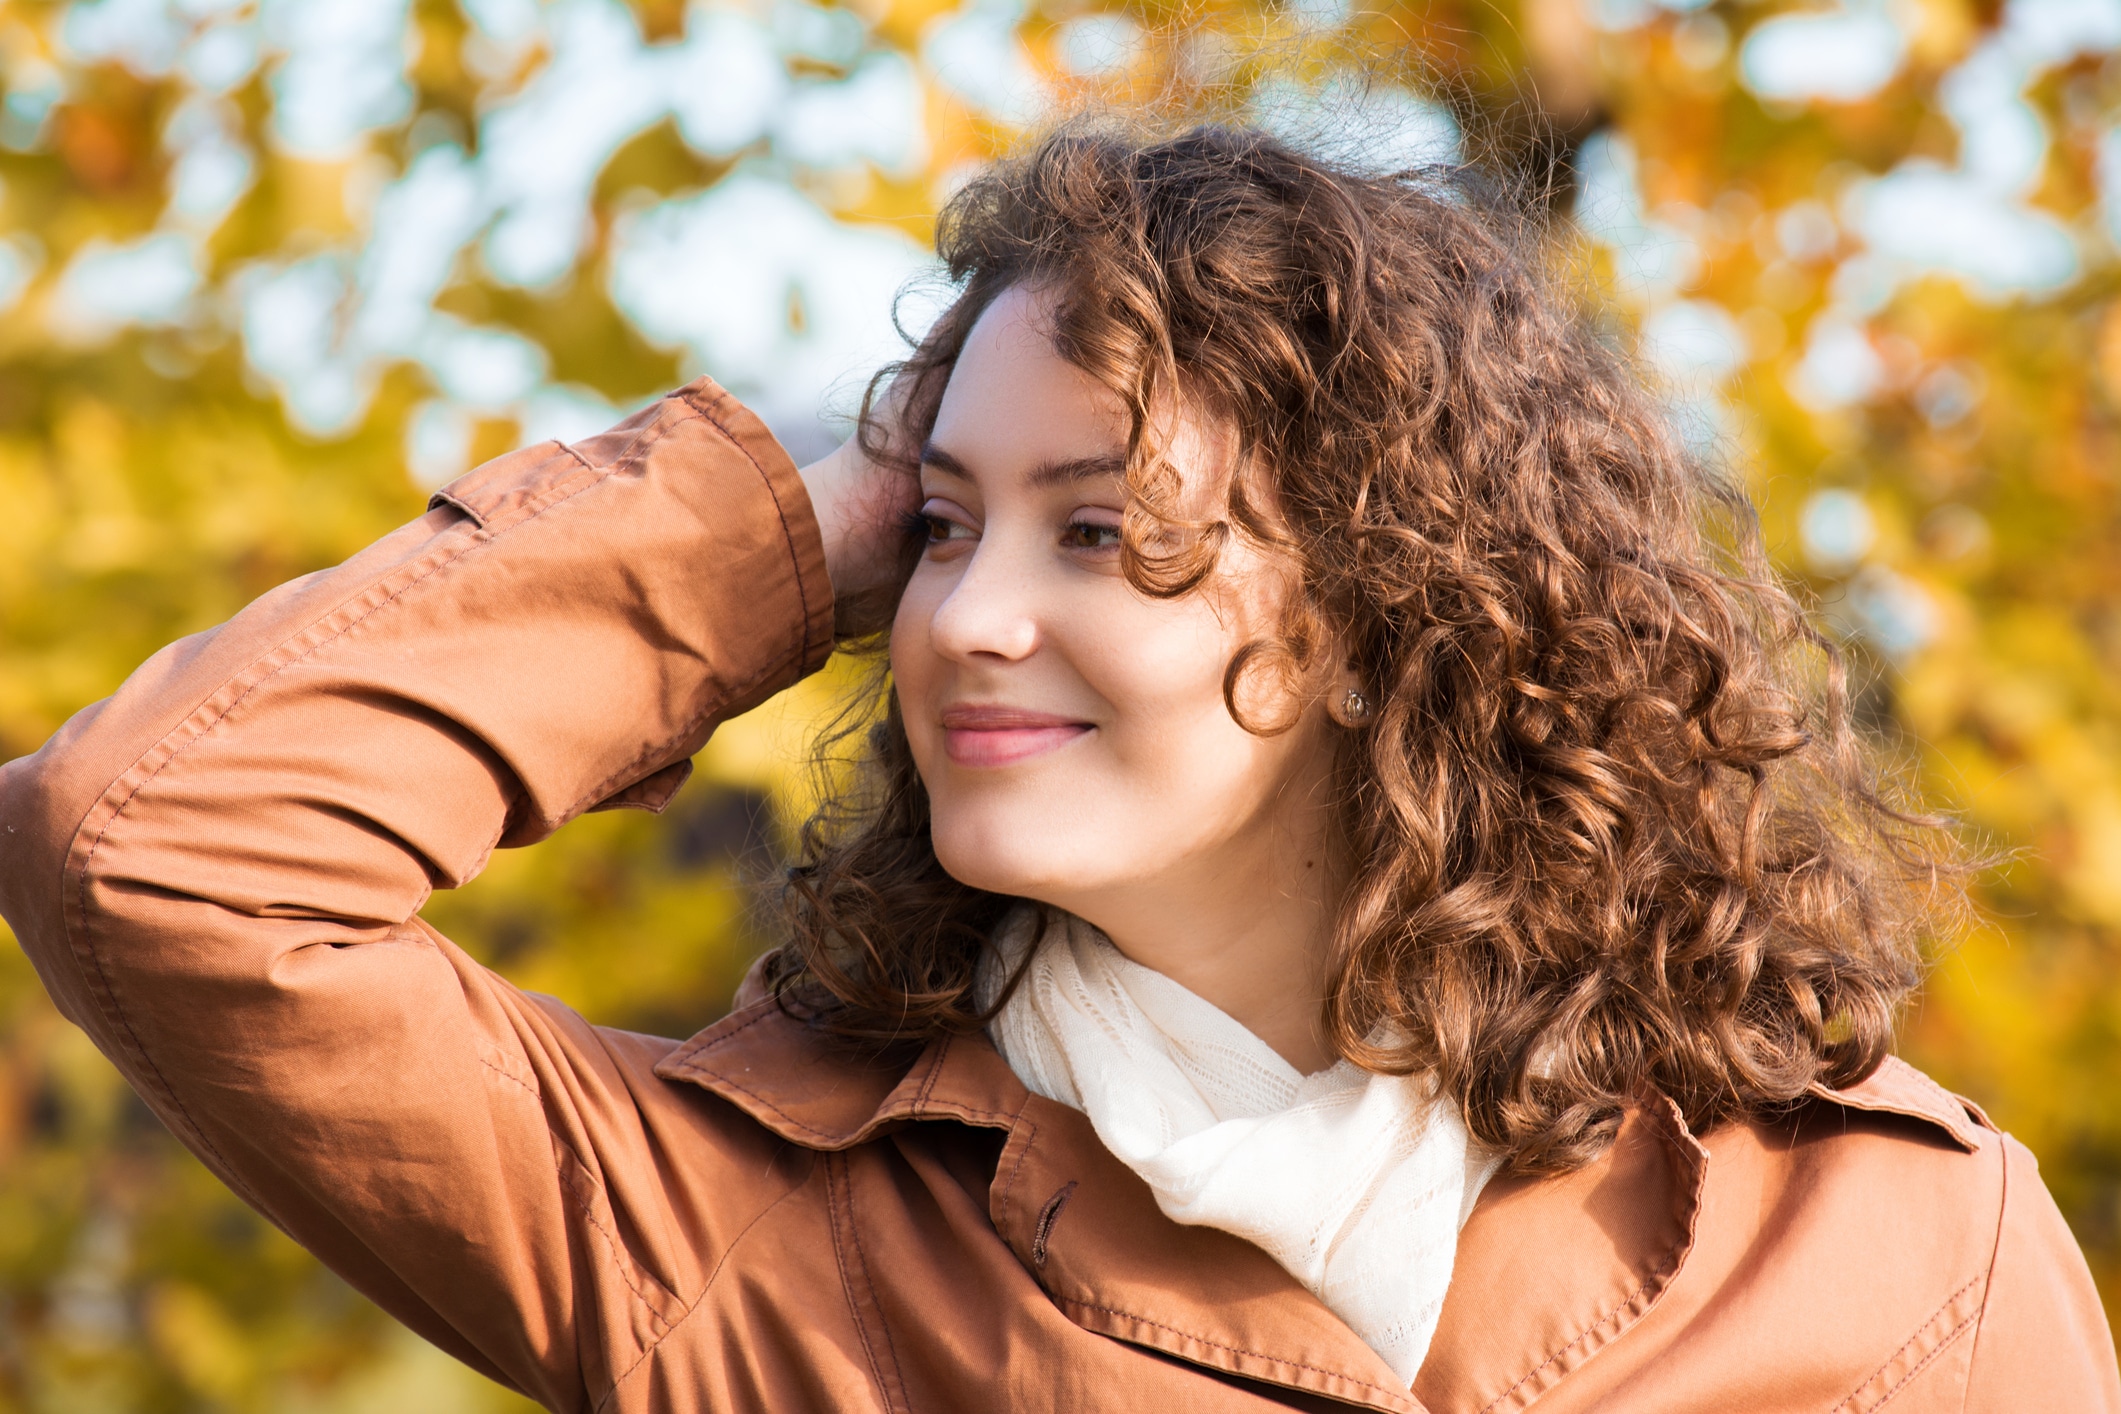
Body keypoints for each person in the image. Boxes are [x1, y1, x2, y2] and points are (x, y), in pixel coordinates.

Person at [1, 123, 2114, 1413]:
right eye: (942, 526)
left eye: (1097, 528)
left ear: (1398, 605)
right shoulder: (744, 1237)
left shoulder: (1895, 1253)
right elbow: (158, 847)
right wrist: (786, 530)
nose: (964, 615)